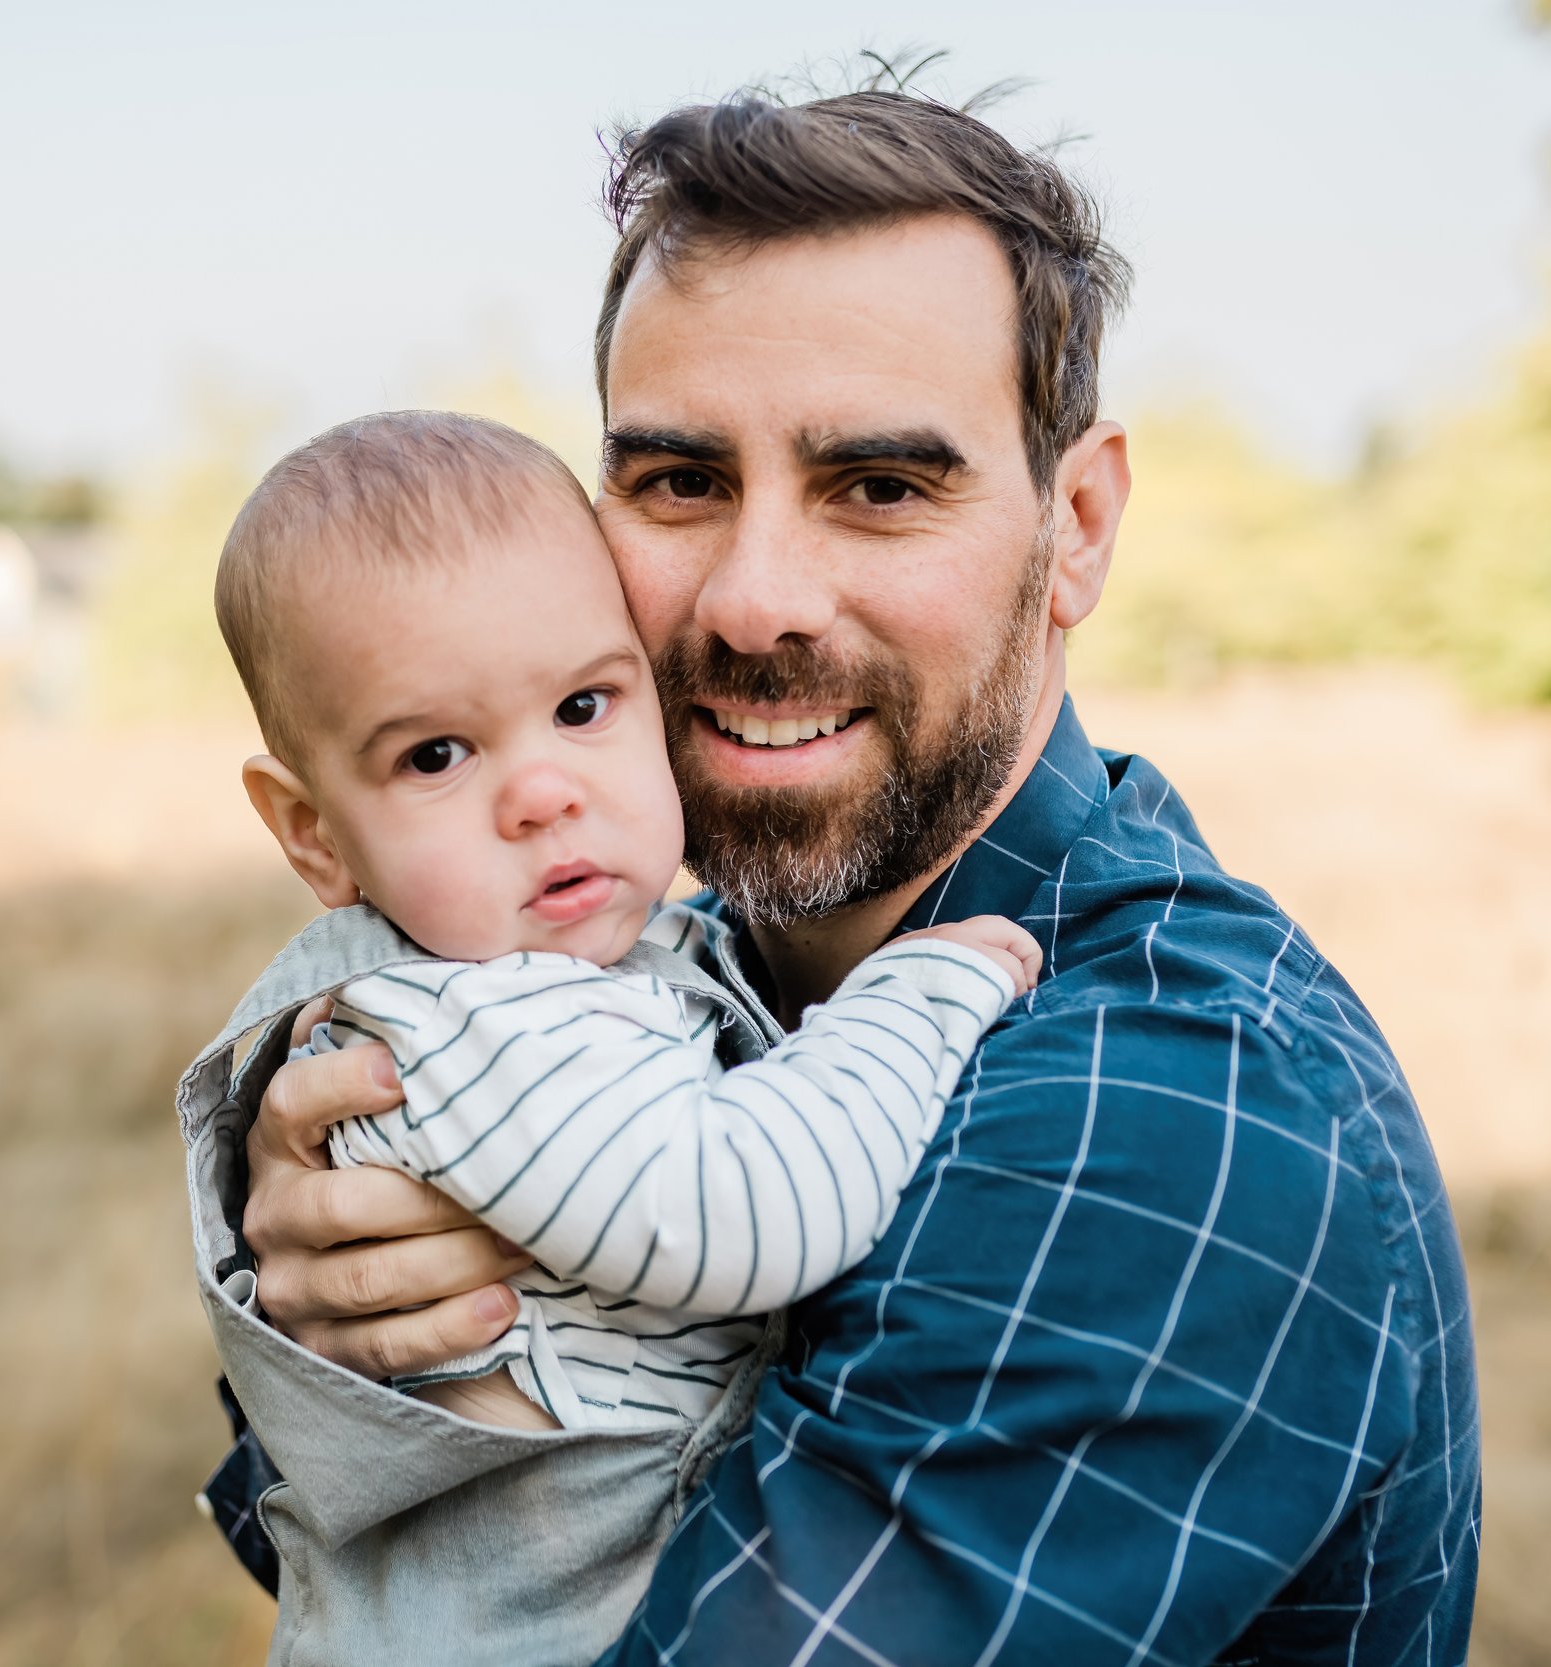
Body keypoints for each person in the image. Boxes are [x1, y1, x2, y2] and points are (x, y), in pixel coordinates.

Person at [207, 76, 1481, 1666]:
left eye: (880, 486)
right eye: (679, 481)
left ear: (1075, 523)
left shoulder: (1155, 1114)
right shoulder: (658, 961)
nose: (755, 599)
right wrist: (349, 1314)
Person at [179, 409, 1041, 1662]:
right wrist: (922, 991)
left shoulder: (616, 962)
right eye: (434, 754)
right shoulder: (475, 1019)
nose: (540, 793)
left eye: (583, 704)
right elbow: (744, 1211)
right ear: (312, 832)